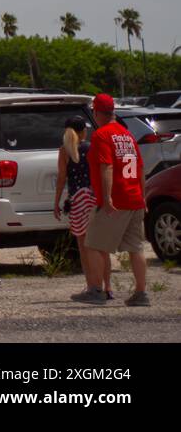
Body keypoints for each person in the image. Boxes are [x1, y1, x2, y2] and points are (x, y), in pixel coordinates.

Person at [75, 94, 150, 305]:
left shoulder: (102, 135)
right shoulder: (127, 135)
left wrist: (106, 198)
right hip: (134, 198)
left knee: (93, 245)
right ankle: (141, 293)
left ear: (97, 113)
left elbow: (106, 166)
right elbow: (141, 167)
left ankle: (96, 291)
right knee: (136, 247)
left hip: (116, 200)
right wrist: (143, 197)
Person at [55, 116, 109, 298]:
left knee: (84, 247)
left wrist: (56, 203)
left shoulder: (64, 151)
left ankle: (92, 287)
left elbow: (62, 178)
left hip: (77, 200)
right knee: (101, 246)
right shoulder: (92, 148)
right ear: (84, 131)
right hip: (93, 197)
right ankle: (107, 287)